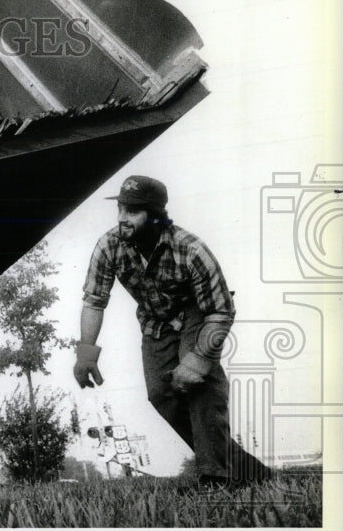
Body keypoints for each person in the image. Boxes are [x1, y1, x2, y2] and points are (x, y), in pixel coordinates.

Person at [73, 175, 272, 488]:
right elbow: (94, 300)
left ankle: (214, 477)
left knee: (196, 384)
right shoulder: (109, 245)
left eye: (133, 212)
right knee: (160, 393)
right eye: (121, 209)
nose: (122, 218)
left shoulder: (190, 249)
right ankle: (244, 468)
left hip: (199, 314)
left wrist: (198, 360)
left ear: (155, 215)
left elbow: (220, 311)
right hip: (156, 321)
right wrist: (86, 353)